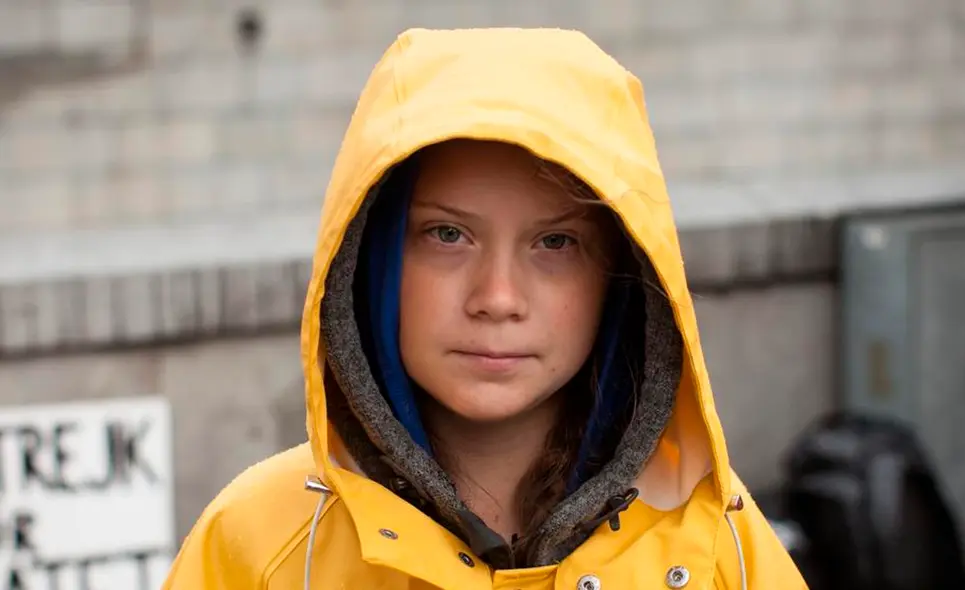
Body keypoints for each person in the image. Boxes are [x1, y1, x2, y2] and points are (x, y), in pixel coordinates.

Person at [164, 27, 806, 589]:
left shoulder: (718, 550)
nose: (497, 299)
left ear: (620, 276)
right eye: (448, 235)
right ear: (373, 260)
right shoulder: (264, 546)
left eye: (555, 243)